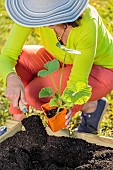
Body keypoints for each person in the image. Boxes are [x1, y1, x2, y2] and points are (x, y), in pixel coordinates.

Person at [0, 0, 113, 134]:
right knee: (22, 59)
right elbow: (8, 56)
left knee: (33, 94)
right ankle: (18, 123)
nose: (47, 19)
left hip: (101, 69)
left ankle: (91, 106)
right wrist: (11, 77)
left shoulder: (88, 22)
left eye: (53, 11)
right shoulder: (33, 13)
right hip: (63, 58)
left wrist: (68, 104)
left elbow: (78, 80)